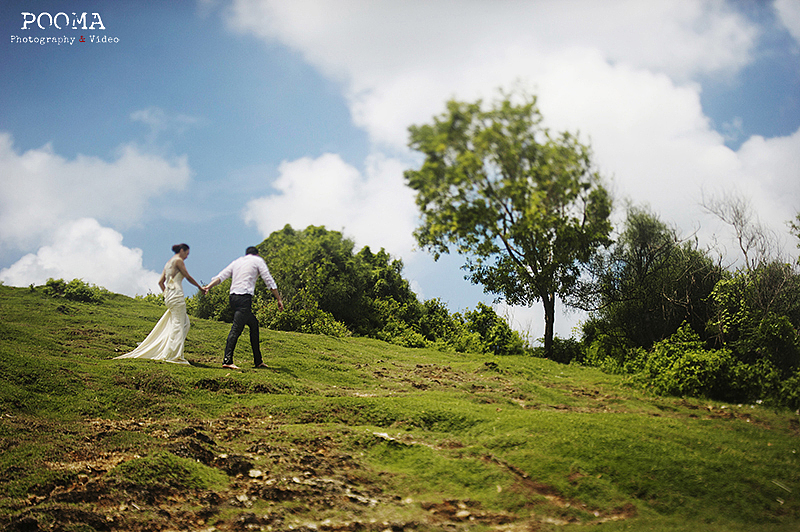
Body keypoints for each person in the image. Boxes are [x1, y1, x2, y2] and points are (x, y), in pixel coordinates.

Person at [115, 244, 206, 365]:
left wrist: (166, 294)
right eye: (187, 253)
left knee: (185, 323)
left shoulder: (168, 263)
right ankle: (172, 355)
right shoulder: (178, 261)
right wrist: (200, 287)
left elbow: (160, 282)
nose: (187, 257)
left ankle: (169, 350)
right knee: (179, 324)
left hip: (169, 295)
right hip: (176, 295)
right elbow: (187, 276)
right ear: (182, 251)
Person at [203, 246, 284, 369]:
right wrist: (278, 298)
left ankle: (258, 361)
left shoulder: (237, 262)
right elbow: (268, 280)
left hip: (233, 298)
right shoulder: (258, 261)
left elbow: (221, 276)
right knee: (236, 329)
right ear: (256, 254)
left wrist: (208, 286)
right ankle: (227, 360)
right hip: (244, 298)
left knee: (253, 324)